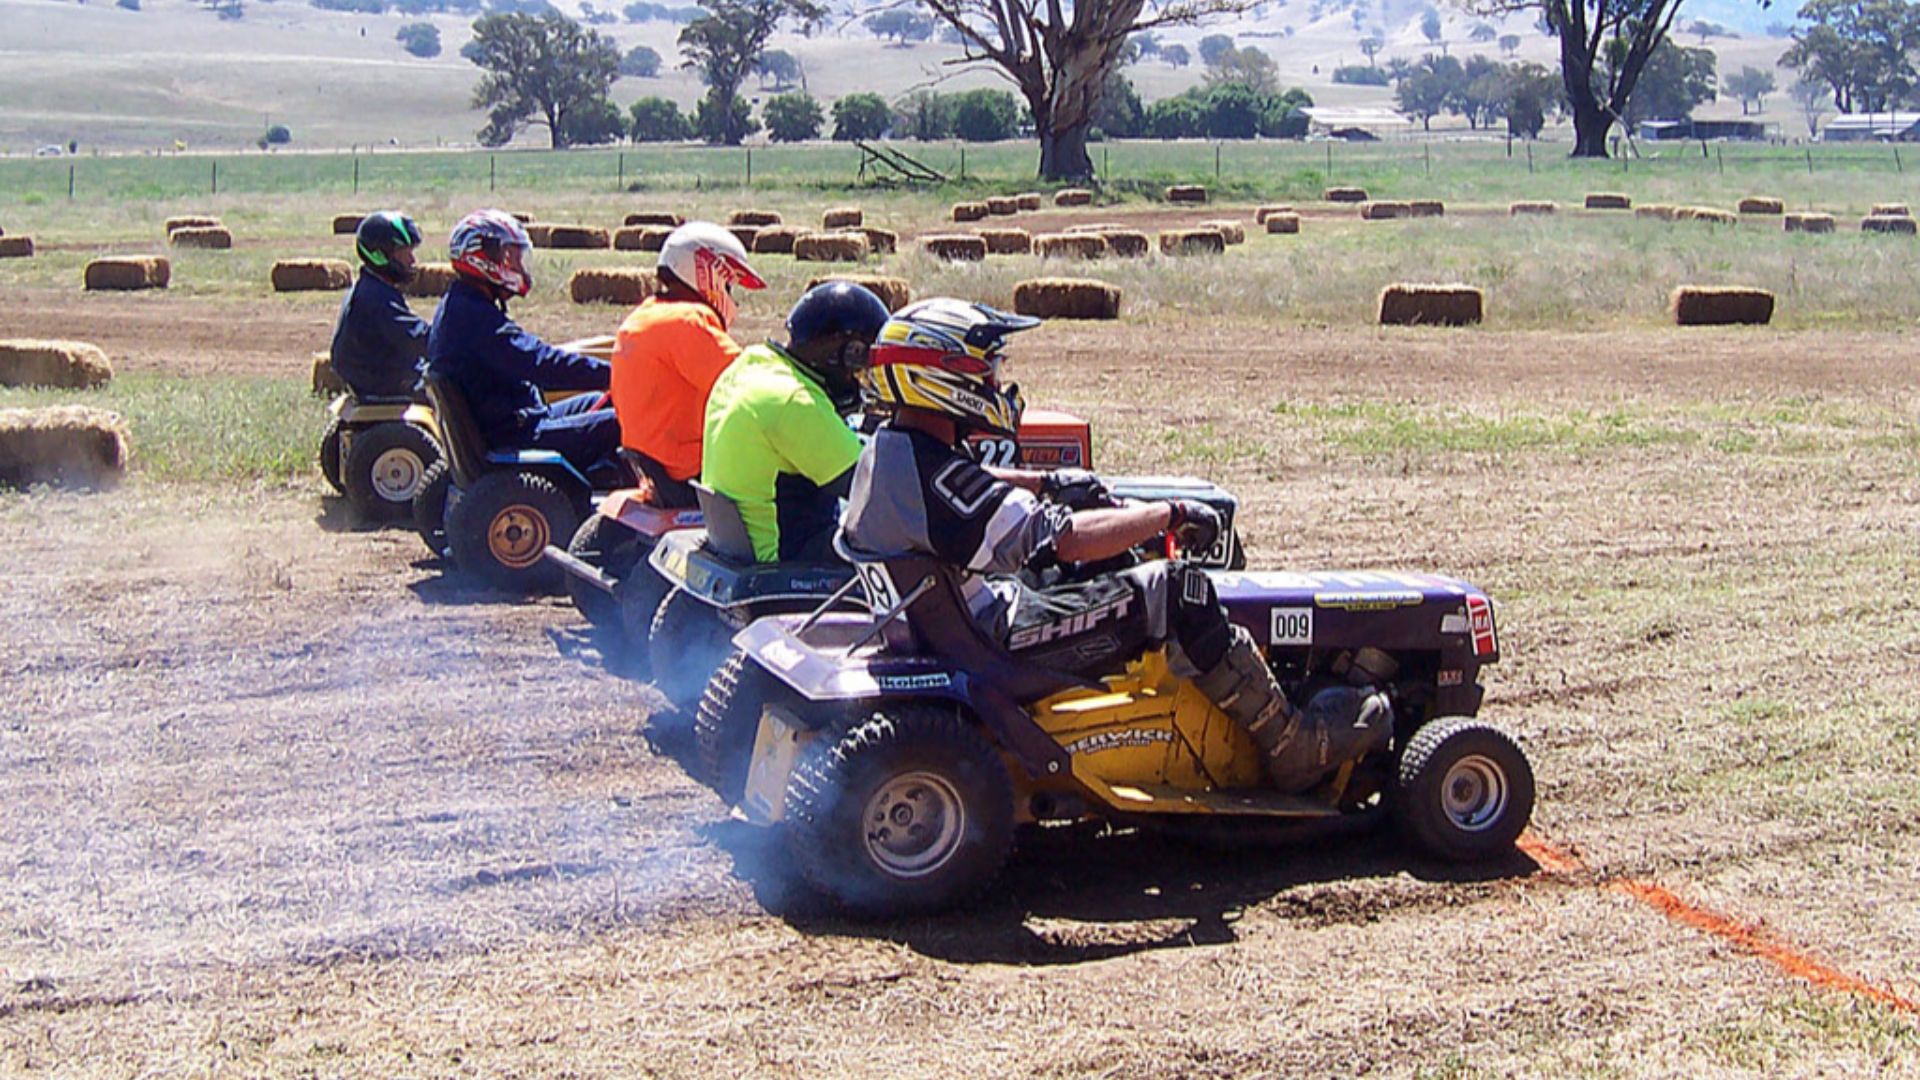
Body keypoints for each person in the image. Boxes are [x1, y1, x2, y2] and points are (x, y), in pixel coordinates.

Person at [838, 299, 1390, 794]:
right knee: (1179, 588)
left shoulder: (892, 453)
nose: (996, 382)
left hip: (955, 625)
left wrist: (1049, 483)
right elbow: (1066, 541)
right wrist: (1166, 514)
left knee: (1117, 564)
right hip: (997, 646)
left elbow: (971, 488)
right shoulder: (938, 480)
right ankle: (1291, 744)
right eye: (988, 369)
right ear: (944, 378)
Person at [702, 281, 890, 563]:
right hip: (784, 552)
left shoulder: (750, 365)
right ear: (846, 355)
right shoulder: (794, 401)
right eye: (860, 369)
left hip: (740, 544)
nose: (859, 379)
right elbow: (873, 492)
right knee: (907, 549)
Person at [426, 209, 618, 475]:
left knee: (602, 399)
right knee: (625, 421)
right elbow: (542, 364)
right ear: (484, 258)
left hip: (513, 419)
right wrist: (615, 373)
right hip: (516, 436)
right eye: (511, 257)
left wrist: (607, 378)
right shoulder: (475, 319)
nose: (517, 266)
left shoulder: (460, 305)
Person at [611, 222, 765, 508]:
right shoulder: (688, 320)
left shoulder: (643, 316)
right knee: (799, 482)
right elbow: (748, 384)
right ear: (709, 272)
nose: (730, 297)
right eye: (728, 286)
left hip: (651, 461)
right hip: (688, 468)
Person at [328, 210, 429, 401]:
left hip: (376, 377)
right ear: (379, 255)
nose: (412, 260)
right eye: (403, 253)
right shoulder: (376, 299)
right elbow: (418, 338)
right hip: (387, 384)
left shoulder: (370, 287)